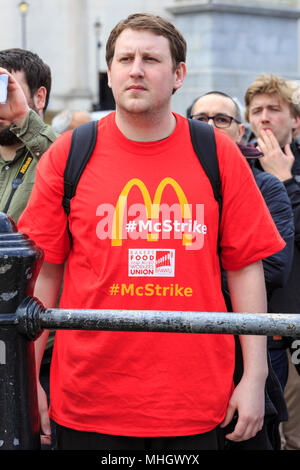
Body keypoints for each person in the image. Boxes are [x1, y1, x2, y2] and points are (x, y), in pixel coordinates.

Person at [18, 14, 285, 451]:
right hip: (88, 404)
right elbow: (45, 273)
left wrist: (255, 377)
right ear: (111, 72)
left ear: (179, 74)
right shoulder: (70, 152)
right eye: (125, 58)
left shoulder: (217, 152)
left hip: (198, 404)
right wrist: (29, 382)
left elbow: (245, 267)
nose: (136, 69)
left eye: (151, 59)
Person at [188, 91, 293, 449]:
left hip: (246, 349)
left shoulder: (267, 187)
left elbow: (274, 268)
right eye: (200, 119)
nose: (210, 126)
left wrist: (192, 278)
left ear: (240, 131)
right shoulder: (175, 183)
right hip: (185, 352)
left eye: (222, 119)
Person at [244, 74, 300, 450]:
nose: (264, 118)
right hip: (257, 329)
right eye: (256, 110)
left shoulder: (288, 170)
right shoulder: (240, 164)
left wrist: (287, 181)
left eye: (274, 110)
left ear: (295, 119)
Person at [0, 48, 57, 223]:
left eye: (9, 90)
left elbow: (70, 166)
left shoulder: (61, 150)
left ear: (40, 97)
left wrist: (21, 116)